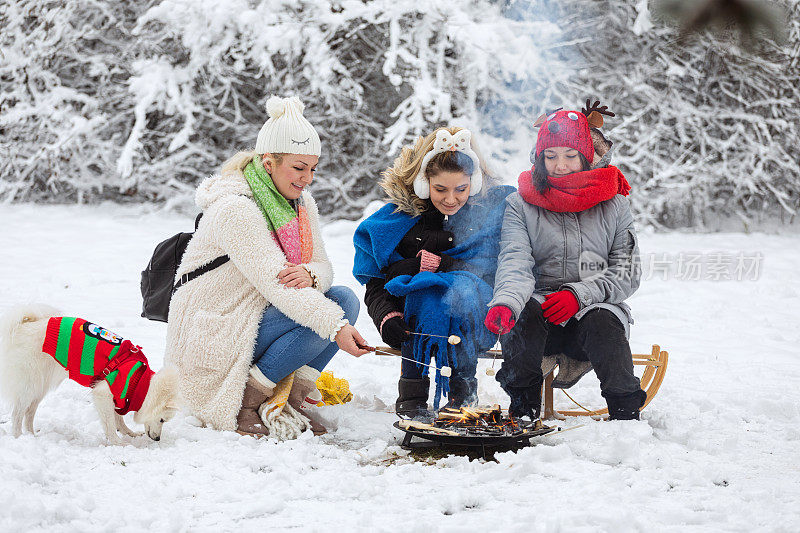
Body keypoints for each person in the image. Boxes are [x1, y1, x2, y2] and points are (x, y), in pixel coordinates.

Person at [166, 95, 370, 439]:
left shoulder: (300, 204)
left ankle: (289, 400)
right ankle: (247, 402)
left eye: (312, 168)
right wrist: (336, 329)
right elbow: (278, 285)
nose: (306, 178)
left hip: (255, 312)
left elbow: (322, 265)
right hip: (218, 327)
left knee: (345, 300)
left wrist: (312, 274)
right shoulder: (236, 209)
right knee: (329, 317)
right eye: (298, 167)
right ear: (268, 163)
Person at [485, 102, 647, 421]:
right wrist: (505, 302)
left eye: (570, 156)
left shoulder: (614, 205)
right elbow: (515, 263)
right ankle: (524, 409)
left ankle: (625, 410)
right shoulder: (520, 205)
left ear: (587, 156)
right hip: (541, 312)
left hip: (592, 311)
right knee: (523, 312)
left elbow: (627, 272)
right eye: (551, 156)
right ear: (539, 157)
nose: (560, 165)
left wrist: (579, 295)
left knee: (602, 320)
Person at [353, 127, 515, 416]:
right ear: (423, 184)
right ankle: (412, 393)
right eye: (441, 189)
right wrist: (386, 315)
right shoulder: (398, 222)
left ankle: (462, 390)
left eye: (460, 189)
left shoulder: (488, 217)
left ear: (474, 183)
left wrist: (443, 266)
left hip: (473, 316)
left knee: (459, 294)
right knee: (427, 296)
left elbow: (497, 269)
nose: (451, 199)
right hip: (414, 318)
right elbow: (377, 281)